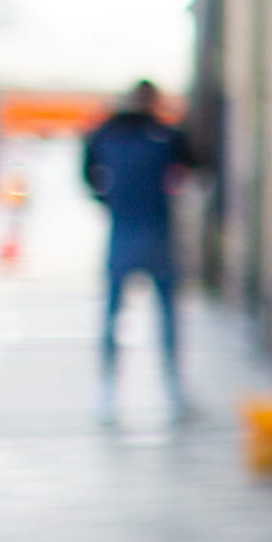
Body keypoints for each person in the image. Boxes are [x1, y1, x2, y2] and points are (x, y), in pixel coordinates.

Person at [83, 79, 200, 419]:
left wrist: (108, 199)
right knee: (121, 313)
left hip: (148, 231)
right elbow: (88, 173)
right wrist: (107, 200)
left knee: (150, 313)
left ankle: (168, 383)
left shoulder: (162, 136)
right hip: (136, 230)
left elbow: (191, 168)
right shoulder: (113, 134)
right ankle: (113, 385)